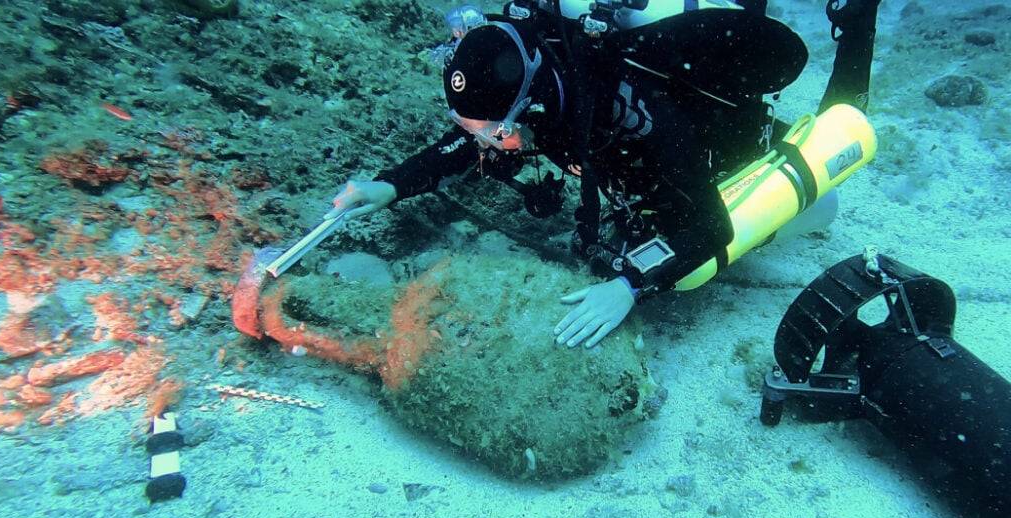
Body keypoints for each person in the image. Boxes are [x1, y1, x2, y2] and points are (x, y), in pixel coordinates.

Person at [328, 0, 882, 349]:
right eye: (477, 127)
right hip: (657, 138)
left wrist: (629, 286)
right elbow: (467, 141)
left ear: (534, 108)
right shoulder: (534, 66)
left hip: (715, 147)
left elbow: (711, 229)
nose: (488, 141)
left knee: (813, 193)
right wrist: (389, 185)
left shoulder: (631, 111)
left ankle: (856, 21)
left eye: (495, 129)